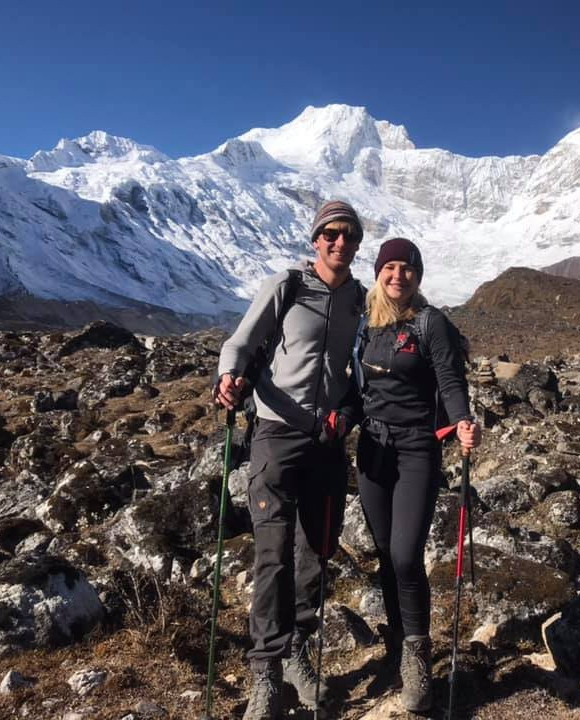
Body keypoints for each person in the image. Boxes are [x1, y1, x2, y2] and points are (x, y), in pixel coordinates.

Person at [215, 200, 366, 720]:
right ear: (315, 238)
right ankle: (266, 672)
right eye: (331, 233)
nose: (340, 242)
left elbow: (357, 377)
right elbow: (241, 342)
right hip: (277, 434)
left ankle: (299, 647)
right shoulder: (287, 285)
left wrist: (345, 414)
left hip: (326, 443)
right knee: (272, 554)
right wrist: (227, 379)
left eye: (348, 235)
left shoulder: (360, 303)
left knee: (314, 554)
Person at [353, 237, 481, 713]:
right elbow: (354, 384)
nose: (397, 276)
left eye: (407, 268)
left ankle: (417, 657)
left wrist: (463, 421)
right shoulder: (366, 324)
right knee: (385, 552)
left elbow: (450, 381)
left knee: (407, 555)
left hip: (416, 449)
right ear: (379, 272)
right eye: (389, 267)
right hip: (372, 448)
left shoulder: (431, 324)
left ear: (418, 274)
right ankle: (396, 642)